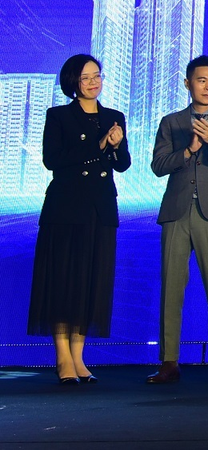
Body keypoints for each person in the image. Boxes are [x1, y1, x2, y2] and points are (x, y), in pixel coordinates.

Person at [28, 54, 131, 385]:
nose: (92, 83)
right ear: (73, 82)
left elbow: (123, 164)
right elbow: (52, 160)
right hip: (65, 209)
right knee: (63, 281)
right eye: (85, 78)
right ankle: (62, 357)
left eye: (97, 76)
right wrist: (98, 146)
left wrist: (115, 146)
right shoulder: (58, 116)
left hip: (100, 209)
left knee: (90, 281)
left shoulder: (113, 117)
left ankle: (79, 356)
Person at [146, 55, 208, 384]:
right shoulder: (172, 122)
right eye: (202, 81)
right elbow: (158, 166)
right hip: (176, 211)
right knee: (171, 288)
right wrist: (188, 151)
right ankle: (168, 361)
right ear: (188, 83)